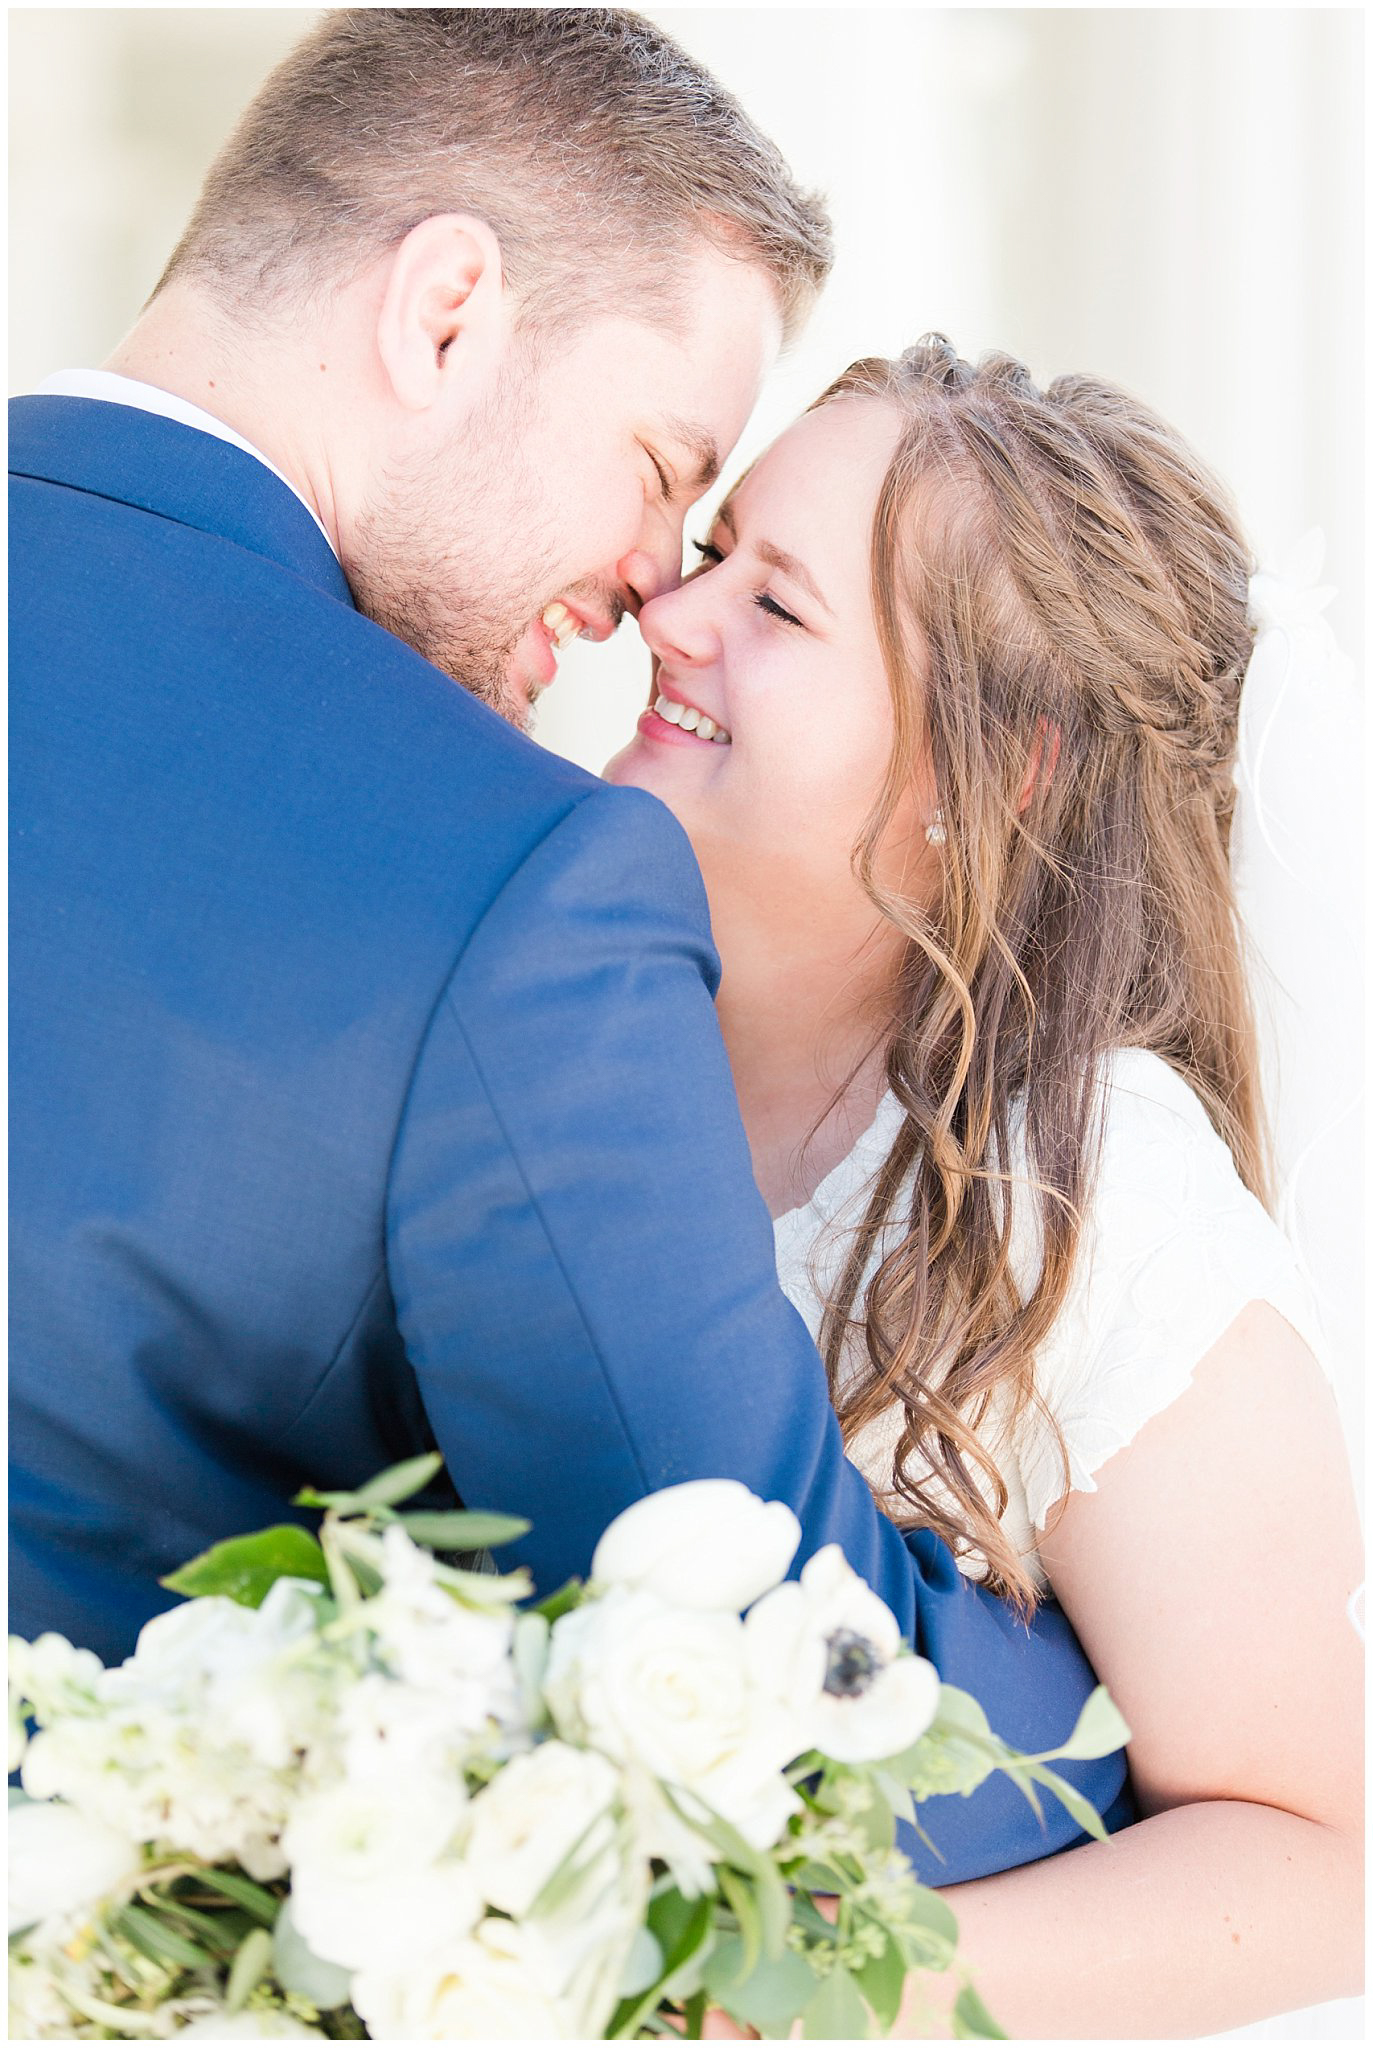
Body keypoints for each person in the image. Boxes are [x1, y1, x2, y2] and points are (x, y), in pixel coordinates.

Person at [8, 11, 1128, 1883]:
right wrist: (1152, 1676)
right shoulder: (504, 878)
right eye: (656, 461)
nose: (648, 586)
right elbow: (787, 1697)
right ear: (445, 312)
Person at [605, 338, 1364, 2034]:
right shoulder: (580, 1043)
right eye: (711, 551)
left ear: (988, 771)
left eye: (775, 607)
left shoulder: (1094, 1202)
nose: (668, 611)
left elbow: (1310, 1867)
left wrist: (791, 1987)